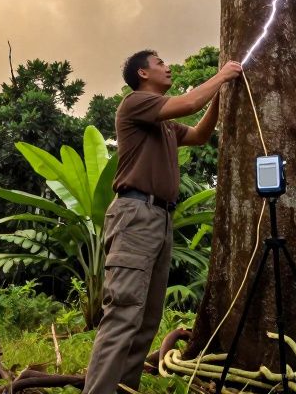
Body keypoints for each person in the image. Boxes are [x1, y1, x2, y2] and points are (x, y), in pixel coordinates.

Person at [83, 50, 243, 394]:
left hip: (160, 218)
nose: (167, 67)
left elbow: (199, 134)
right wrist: (222, 76)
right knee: (124, 313)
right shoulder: (135, 103)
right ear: (143, 73)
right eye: (160, 63)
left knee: (147, 318)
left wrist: (220, 93)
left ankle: (124, 388)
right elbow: (187, 104)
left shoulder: (165, 123)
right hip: (135, 216)